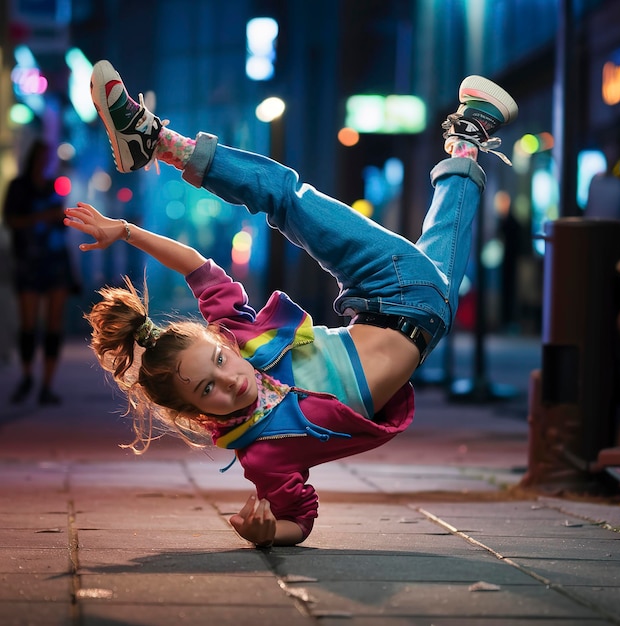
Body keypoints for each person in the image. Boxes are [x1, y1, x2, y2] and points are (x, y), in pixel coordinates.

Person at [65, 60, 518, 547]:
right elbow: (299, 518)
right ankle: (469, 133)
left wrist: (128, 231)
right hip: (429, 313)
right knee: (444, 250)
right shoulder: (263, 455)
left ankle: (153, 138)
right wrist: (265, 534)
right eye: (207, 389)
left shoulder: (237, 339)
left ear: (222, 345)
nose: (228, 379)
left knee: (287, 202)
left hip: (385, 289)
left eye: (219, 360)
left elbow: (196, 267)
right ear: (194, 412)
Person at [3, 139, 75, 405]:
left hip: (55, 260)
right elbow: (11, 220)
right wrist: (42, 217)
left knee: (54, 323)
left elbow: (63, 223)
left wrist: (60, 216)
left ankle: (46, 383)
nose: (46, 162)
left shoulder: (53, 185)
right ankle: (27, 376)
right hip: (29, 261)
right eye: (43, 157)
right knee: (29, 323)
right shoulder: (19, 187)